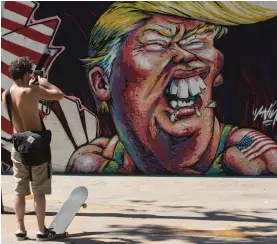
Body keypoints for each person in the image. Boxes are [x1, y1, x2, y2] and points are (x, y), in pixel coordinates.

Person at [68, 2, 277, 176]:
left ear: (216, 72)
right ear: (102, 83)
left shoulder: (252, 158)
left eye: (196, 42)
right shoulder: (94, 162)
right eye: (156, 44)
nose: (185, 55)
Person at [1, 57, 64, 241]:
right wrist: (45, 83)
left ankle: (20, 229)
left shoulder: (6, 94)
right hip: (36, 145)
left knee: (19, 190)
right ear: (27, 73)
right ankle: (41, 231)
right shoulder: (33, 90)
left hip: (18, 145)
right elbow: (59, 94)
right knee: (39, 191)